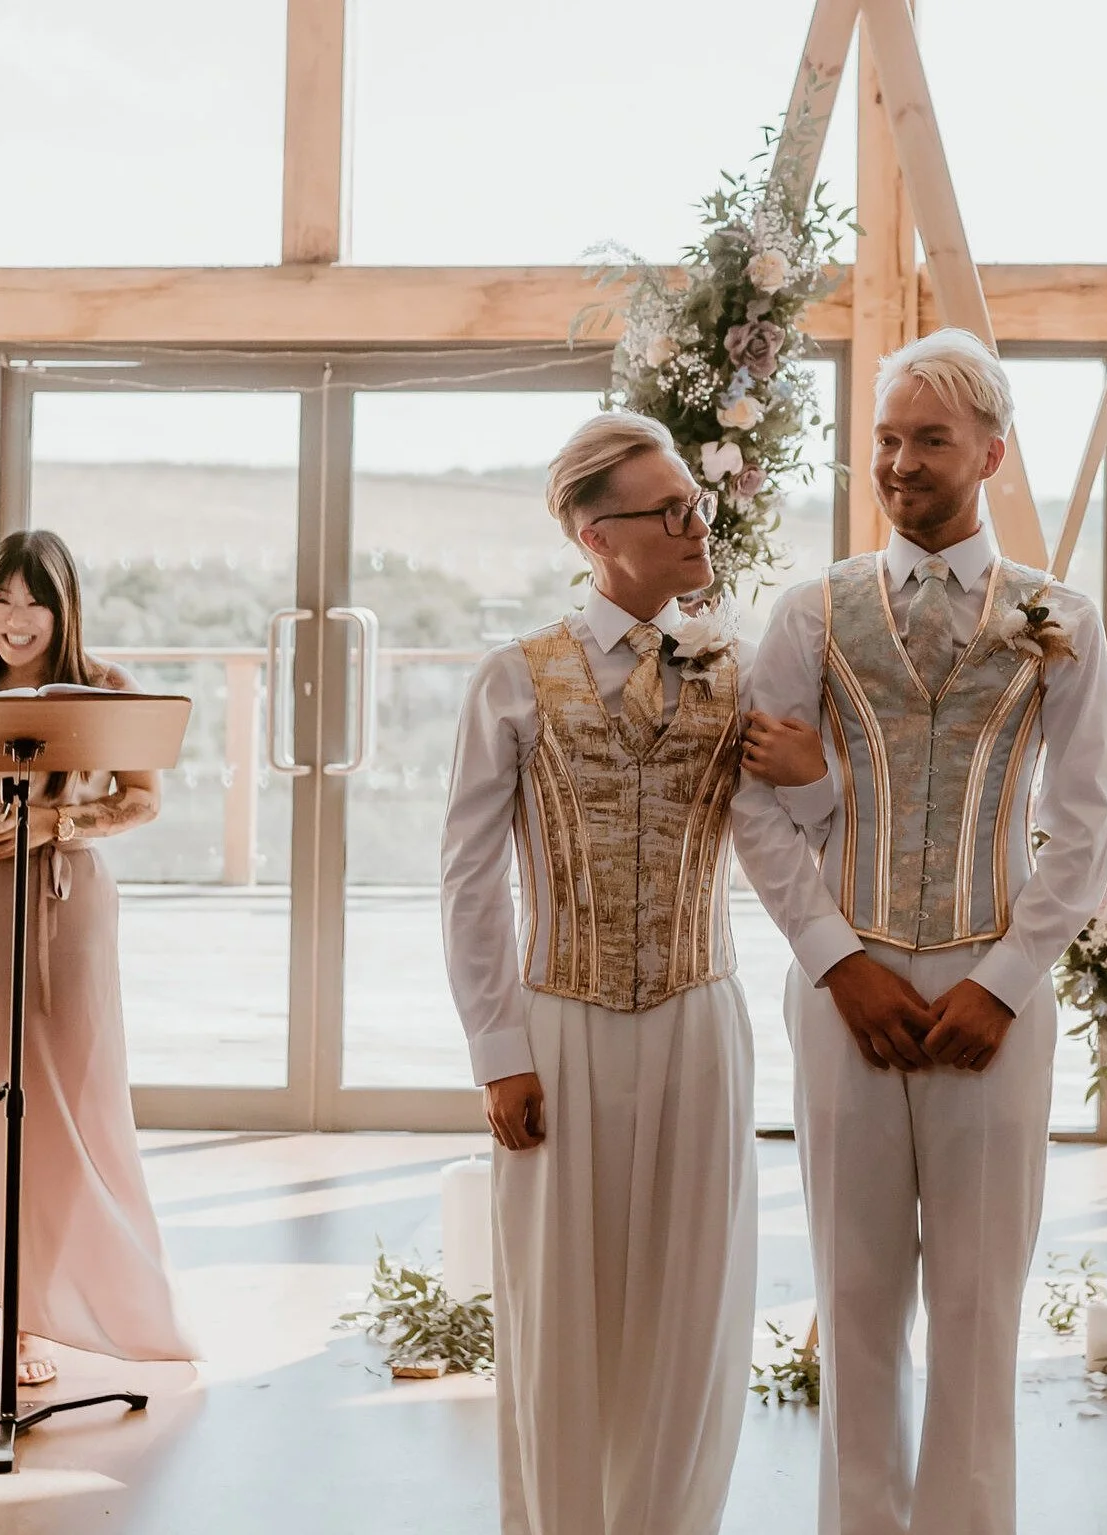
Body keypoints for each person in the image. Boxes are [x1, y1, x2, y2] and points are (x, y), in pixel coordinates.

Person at [440, 412, 843, 1535]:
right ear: (591, 533)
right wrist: (496, 1048)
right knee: (554, 1310)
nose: (694, 523)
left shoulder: (740, 668)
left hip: (696, 1017)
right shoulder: (511, 679)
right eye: (668, 511)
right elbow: (469, 877)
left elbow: (785, 833)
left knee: (689, 1305)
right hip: (555, 1021)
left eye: (694, 503)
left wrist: (817, 783)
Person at [745, 330, 1107, 1535]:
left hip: (991, 993)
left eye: (927, 439)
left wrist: (1004, 982)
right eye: (884, 439)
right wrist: (835, 963)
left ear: (991, 453)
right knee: (852, 1296)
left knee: (976, 1300)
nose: (897, 462)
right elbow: (754, 803)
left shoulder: (1061, 619)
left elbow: (1080, 818)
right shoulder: (808, 613)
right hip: (839, 986)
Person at [0, 529, 197, 1387]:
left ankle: (28, 1318)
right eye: (2, 600)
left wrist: (59, 824)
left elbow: (142, 800)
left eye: (36, 602)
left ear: (63, 608)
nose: (16, 620)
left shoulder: (108, 690)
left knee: (54, 1115)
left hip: (65, 914)